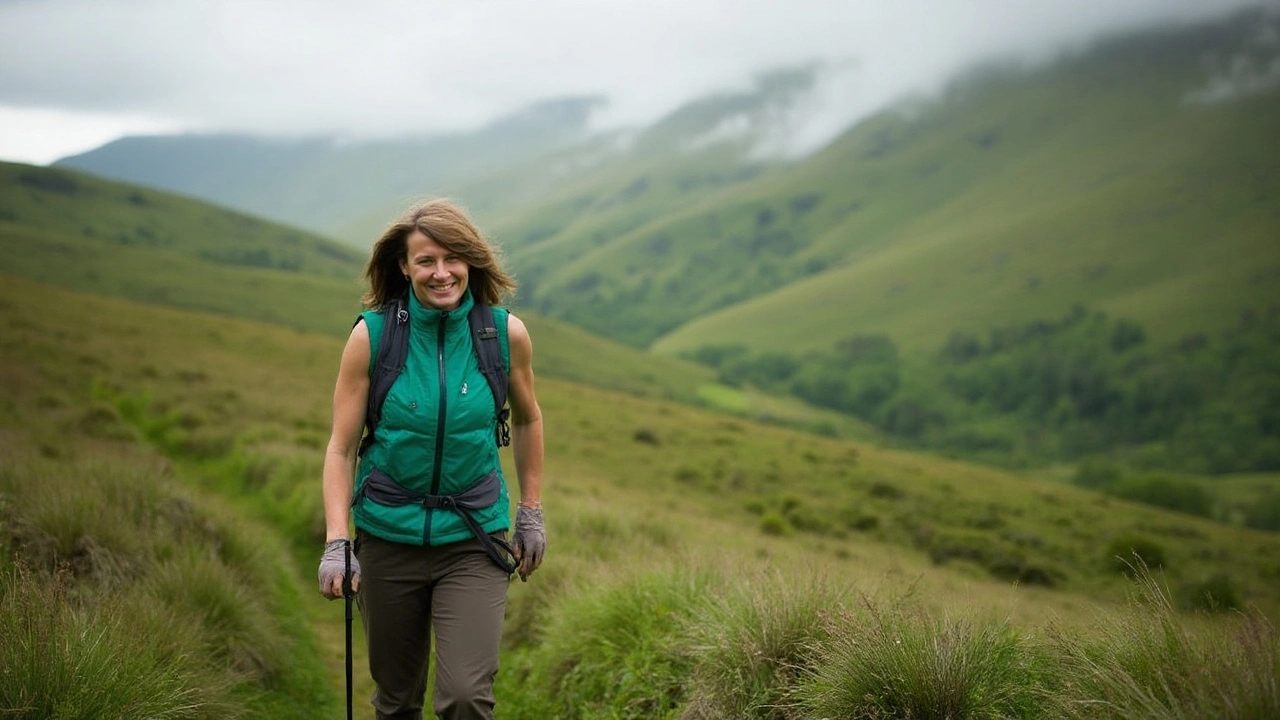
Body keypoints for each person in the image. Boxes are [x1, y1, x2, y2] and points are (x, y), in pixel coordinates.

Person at [317, 199, 546, 720]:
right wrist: (337, 542)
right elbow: (341, 446)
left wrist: (530, 511)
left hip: (473, 537)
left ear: (470, 261)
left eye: (452, 258)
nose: (441, 273)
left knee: (466, 696)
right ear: (404, 265)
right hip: (388, 538)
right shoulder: (373, 337)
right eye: (426, 261)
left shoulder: (502, 334)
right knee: (396, 701)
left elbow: (530, 418)